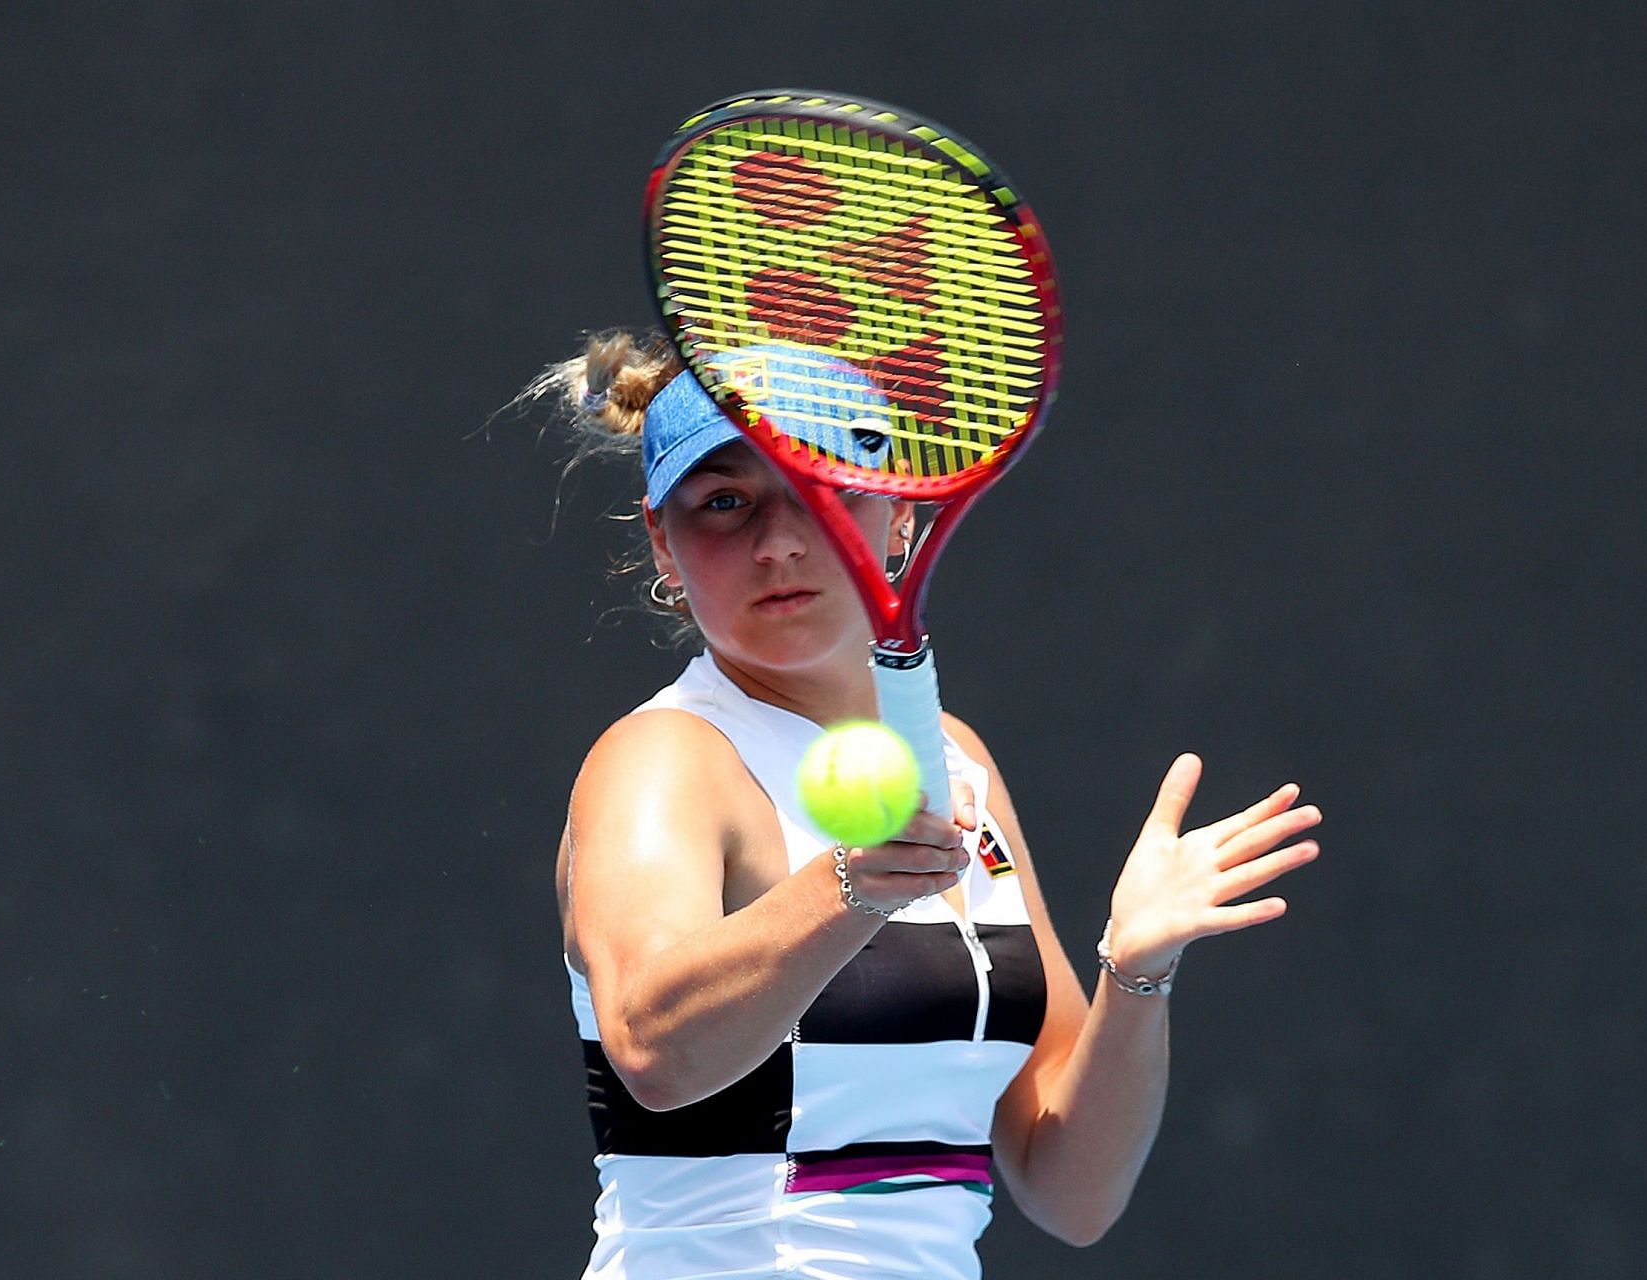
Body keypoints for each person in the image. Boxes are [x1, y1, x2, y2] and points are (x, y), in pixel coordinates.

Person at [533, 331, 1322, 1279]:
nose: (779, 540)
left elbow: (1069, 1188)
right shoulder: (662, 759)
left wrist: (1134, 971)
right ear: (665, 539)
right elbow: (653, 1051)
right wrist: (848, 890)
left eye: (822, 488)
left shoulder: (959, 762)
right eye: (725, 502)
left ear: (899, 514)